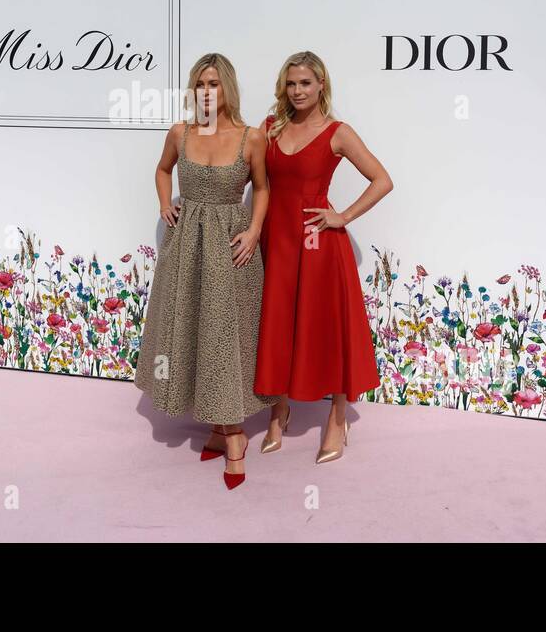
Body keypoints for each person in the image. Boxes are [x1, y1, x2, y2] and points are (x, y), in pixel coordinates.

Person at [134, 52, 277, 489]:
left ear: (227, 88)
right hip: (187, 247)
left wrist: (254, 230)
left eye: (213, 83)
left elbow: (264, 187)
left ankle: (233, 436)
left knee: (224, 337)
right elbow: (162, 171)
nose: (206, 91)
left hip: (231, 246)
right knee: (191, 331)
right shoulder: (180, 132)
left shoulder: (252, 137)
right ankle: (219, 428)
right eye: (200, 83)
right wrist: (165, 203)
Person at [255, 51, 394, 464]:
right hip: (274, 241)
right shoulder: (269, 128)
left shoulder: (338, 132)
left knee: (324, 327)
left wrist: (342, 216)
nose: (297, 91)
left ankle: (337, 415)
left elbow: (383, 180)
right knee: (276, 323)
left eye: (305, 83)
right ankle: (279, 407)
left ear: (321, 87)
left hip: (316, 245)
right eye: (291, 83)